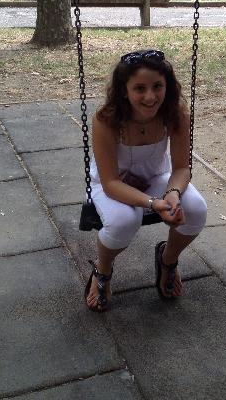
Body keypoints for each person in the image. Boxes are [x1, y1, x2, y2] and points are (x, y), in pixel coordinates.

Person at [84, 50, 207, 311]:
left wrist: (172, 194)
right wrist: (153, 203)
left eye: (157, 86)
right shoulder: (106, 119)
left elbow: (182, 168)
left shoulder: (175, 114)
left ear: (167, 87)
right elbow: (111, 183)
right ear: (124, 90)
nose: (150, 97)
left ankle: (168, 260)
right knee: (124, 221)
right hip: (111, 184)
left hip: (155, 177)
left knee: (196, 208)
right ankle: (102, 269)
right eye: (140, 88)